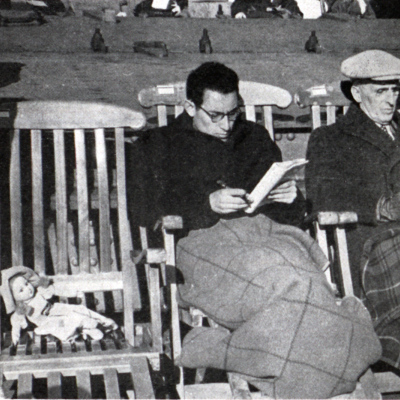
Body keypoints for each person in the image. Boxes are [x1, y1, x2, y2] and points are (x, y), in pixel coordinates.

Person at [127, 62, 305, 238]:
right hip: (198, 237)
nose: (226, 125)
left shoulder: (254, 136)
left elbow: (286, 211)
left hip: (264, 232)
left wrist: (291, 199)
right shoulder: (158, 143)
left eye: (233, 113)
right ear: (190, 108)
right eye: (215, 115)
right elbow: (143, 210)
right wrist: (207, 204)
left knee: (302, 261)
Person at [306, 50, 400, 368]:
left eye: (396, 90)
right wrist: (379, 206)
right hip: (369, 242)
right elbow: (324, 194)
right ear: (358, 93)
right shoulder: (330, 139)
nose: (391, 100)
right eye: (381, 91)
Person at [0, 266, 118, 345]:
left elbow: (56, 290)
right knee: (68, 321)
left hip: (55, 308)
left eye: (26, 284)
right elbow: (15, 323)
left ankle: (103, 321)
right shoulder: (21, 310)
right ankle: (89, 330)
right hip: (48, 321)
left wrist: (74, 293)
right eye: (21, 290)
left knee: (79, 309)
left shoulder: (39, 291)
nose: (28, 289)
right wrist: (15, 337)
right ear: (12, 297)